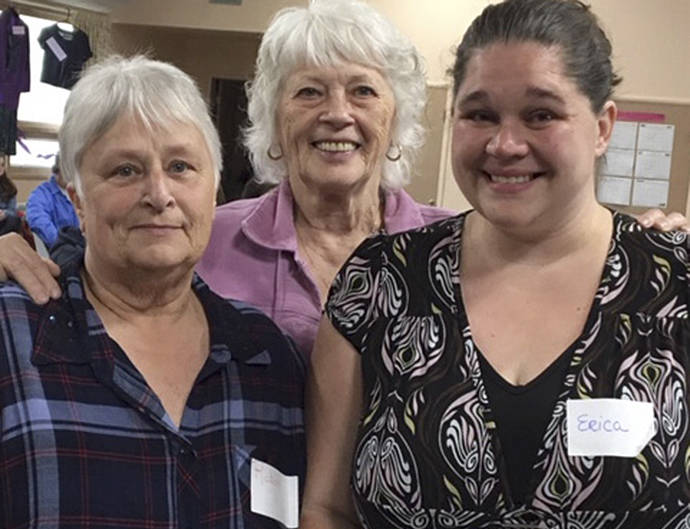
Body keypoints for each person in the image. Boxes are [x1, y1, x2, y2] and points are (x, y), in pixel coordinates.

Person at [0, 0, 684, 362]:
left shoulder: (453, 243)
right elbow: (94, 275)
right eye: (308, 93)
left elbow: (559, 271)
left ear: (396, 117)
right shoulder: (202, 233)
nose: (338, 114)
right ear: (272, 116)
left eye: (362, 90)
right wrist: (10, 251)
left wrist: (642, 241)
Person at [297, 0, 689, 529]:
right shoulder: (380, 284)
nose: (505, 144)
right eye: (480, 115)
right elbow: (327, 512)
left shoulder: (675, 285)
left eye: (541, 114)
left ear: (602, 128)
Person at [0, 55, 305, 529]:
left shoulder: (269, 358)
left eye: (181, 167)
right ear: (77, 199)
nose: (159, 193)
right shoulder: (13, 338)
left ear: (214, 191)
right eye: (125, 170)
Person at [26, 153, 80, 248]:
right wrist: (63, 245)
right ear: (57, 170)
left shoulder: (82, 193)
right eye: (67, 169)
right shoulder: (41, 193)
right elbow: (38, 221)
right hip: (62, 252)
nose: (71, 174)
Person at [0, 153, 21, 235]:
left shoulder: (9, 187)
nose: (0, 168)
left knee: (14, 220)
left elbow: (13, 211)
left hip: (3, 223)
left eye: (2, 165)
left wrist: (4, 214)